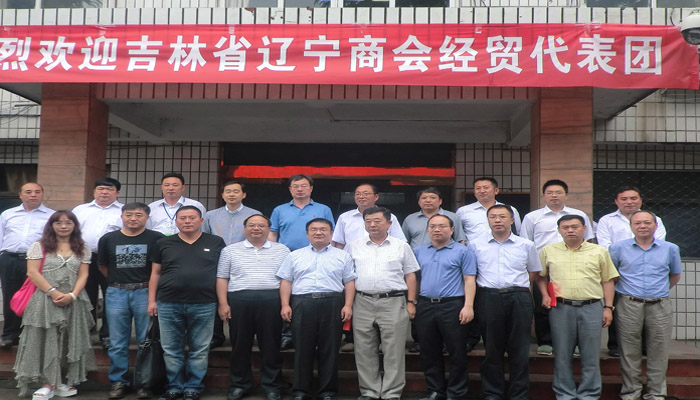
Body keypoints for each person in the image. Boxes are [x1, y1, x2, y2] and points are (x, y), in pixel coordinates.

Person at [13, 210, 96, 399]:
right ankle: (47, 384)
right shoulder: (39, 246)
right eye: (58, 223)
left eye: (68, 223)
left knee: (67, 340)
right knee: (44, 340)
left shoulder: (82, 247)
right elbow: (32, 273)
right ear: (51, 226)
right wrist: (53, 292)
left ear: (75, 226)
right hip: (44, 300)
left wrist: (72, 295)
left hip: (73, 301)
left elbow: (83, 274)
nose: (63, 226)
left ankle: (59, 382)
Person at [147, 206, 226, 400]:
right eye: (182, 218)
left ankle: (193, 386)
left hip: (204, 303)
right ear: (176, 222)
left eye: (192, 217)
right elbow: (155, 273)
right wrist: (151, 301)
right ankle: (174, 386)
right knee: (171, 348)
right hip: (168, 303)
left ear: (201, 220)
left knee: (199, 349)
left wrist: (223, 303)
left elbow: (222, 275)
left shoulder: (215, 242)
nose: (187, 221)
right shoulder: (163, 243)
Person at [537, 215, 619, 400]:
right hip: (561, 308)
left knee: (590, 354)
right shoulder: (549, 251)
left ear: (584, 229)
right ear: (559, 230)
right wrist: (545, 295)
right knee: (562, 354)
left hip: (591, 307)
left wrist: (608, 307)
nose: (570, 230)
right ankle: (564, 394)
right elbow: (540, 276)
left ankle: (589, 394)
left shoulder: (599, 251)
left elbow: (608, 280)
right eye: (565, 227)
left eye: (574, 227)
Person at [468, 205, 542, 400]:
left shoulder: (526, 245)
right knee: (492, 348)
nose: (497, 220)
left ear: (512, 220)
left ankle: (519, 394)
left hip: (519, 297)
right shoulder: (475, 245)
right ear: (488, 221)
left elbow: (533, 271)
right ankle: (493, 393)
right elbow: (471, 274)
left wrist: (517, 288)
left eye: (502, 216)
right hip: (488, 297)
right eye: (493, 217)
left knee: (520, 348)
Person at [277, 218, 356, 400]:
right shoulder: (294, 255)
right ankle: (301, 390)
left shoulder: (342, 255)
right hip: (302, 303)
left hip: (333, 302)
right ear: (307, 234)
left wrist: (348, 305)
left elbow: (349, 281)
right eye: (314, 229)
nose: (318, 232)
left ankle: (327, 391)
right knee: (302, 348)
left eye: (323, 229)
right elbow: (286, 281)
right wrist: (285, 304)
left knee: (330, 348)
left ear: (331, 233)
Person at [346, 206, 420, 400]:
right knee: (364, 349)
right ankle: (369, 391)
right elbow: (348, 277)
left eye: (377, 221)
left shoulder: (401, 246)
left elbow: (410, 275)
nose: (372, 224)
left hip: (393, 301)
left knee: (393, 349)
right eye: (368, 221)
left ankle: (391, 392)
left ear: (389, 223)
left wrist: (411, 301)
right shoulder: (353, 246)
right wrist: (348, 303)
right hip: (362, 300)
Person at [609, 210, 681, 400]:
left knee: (659, 349)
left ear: (656, 225)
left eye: (647, 222)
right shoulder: (617, 248)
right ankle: (631, 392)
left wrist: (657, 291)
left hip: (659, 304)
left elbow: (675, 275)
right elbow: (612, 276)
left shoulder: (670, 248)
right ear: (631, 226)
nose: (642, 226)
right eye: (638, 223)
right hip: (628, 303)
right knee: (628, 349)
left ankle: (656, 393)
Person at [216, 215, 289, 400]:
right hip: (239, 300)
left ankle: (272, 385)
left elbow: (286, 279)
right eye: (252, 225)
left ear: (268, 229)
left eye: (261, 225)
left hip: (271, 300)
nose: (256, 228)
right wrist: (223, 304)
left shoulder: (282, 250)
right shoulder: (230, 250)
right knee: (240, 345)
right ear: (245, 228)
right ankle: (239, 384)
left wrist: (284, 304)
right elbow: (222, 278)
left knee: (271, 345)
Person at [520, 179, 594, 356]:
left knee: (574, 307)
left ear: (566, 195)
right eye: (550, 192)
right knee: (543, 305)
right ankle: (545, 342)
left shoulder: (579, 215)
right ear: (544, 195)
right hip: (543, 268)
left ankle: (575, 343)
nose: (554, 195)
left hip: (574, 266)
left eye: (558, 192)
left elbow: (589, 240)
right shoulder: (532, 217)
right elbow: (526, 243)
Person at [98, 203, 164, 399]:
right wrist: (117, 281)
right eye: (129, 215)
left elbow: (159, 268)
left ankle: (144, 383)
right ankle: (119, 381)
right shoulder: (108, 239)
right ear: (122, 217)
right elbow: (102, 266)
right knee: (117, 341)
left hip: (145, 292)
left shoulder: (157, 238)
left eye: (138, 215)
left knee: (146, 341)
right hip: (116, 292)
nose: (133, 218)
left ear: (147, 218)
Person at [596, 185, 667, 357]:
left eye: (633, 198)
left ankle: (644, 347)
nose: (629, 202)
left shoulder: (654, 219)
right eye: (624, 199)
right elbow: (604, 246)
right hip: (616, 270)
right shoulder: (606, 220)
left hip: (647, 270)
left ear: (640, 200)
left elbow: (659, 243)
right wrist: (625, 258)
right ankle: (615, 346)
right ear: (616, 201)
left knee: (646, 311)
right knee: (617, 307)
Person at [413, 215, 476, 400]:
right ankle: (435, 391)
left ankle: (456, 393)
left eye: (442, 226)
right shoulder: (418, 251)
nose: (437, 229)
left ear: (452, 229)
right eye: (432, 226)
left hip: (453, 305)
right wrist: (413, 302)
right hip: (425, 304)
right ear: (427, 230)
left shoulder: (463, 251)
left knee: (457, 350)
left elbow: (469, 280)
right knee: (428, 351)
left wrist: (468, 306)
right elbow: (414, 279)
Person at [269, 174, 334, 349]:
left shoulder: (323, 209)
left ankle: (316, 335)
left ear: (311, 189)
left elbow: (330, 233)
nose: (299, 189)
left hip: (317, 256)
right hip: (287, 257)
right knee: (287, 295)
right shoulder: (279, 210)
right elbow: (273, 234)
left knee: (311, 294)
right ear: (290, 189)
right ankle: (287, 334)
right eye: (295, 186)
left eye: (303, 186)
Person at [203, 180, 261, 349]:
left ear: (244, 194)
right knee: (215, 295)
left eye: (236, 191)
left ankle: (242, 334)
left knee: (238, 295)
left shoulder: (254, 214)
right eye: (228, 191)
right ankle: (216, 335)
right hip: (216, 259)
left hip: (244, 260)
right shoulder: (210, 215)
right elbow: (205, 236)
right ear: (222, 195)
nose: (231, 194)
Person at [0, 182, 54, 348]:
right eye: (28, 192)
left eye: (37, 192)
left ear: (42, 194)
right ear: (20, 195)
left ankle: (30, 335)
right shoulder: (8, 214)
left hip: (37, 261)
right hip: (10, 259)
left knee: (34, 297)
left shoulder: (51, 216)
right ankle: (10, 334)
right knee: (10, 296)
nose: (33, 195)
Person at [72, 177, 124, 349]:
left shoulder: (124, 211)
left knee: (112, 295)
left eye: (109, 189)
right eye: (101, 189)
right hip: (84, 258)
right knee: (85, 296)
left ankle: (107, 335)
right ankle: (85, 333)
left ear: (117, 193)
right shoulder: (80, 210)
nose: (104, 192)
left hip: (112, 260)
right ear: (94, 191)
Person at [332, 183, 405, 249]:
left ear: (376, 197)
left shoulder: (389, 217)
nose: (361, 196)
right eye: (357, 194)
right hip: (351, 258)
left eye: (366, 194)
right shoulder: (344, 217)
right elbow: (339, 244)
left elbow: (399, 242)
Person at [456, 177, 521, 241]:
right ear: (474, 192)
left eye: (486, 188)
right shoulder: (463, 211)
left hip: (505, 246)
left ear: (496, 191)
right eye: (478, 188)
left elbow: (518, 232)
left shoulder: (510, 209)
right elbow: (458, 234)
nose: (482, 191)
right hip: (473, 247)